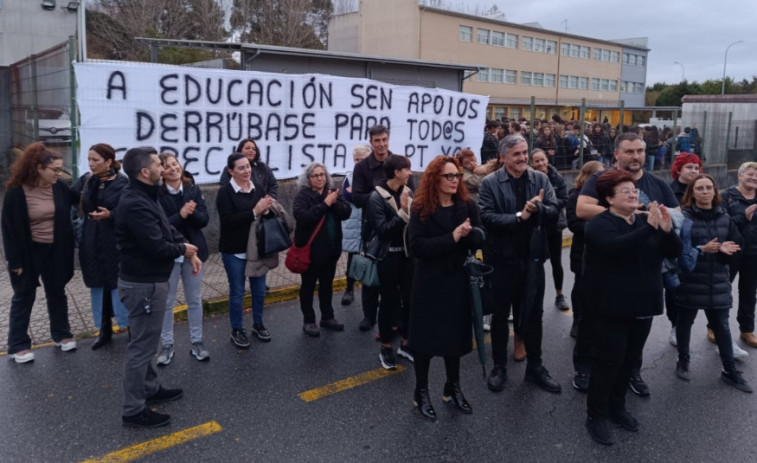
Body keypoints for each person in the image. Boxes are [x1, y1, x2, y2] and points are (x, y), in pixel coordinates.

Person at [576, 132, 679, 398]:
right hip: (604, 272)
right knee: (594, 325)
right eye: (630, 151)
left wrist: (664, 224)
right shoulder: (602, 180)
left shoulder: (657, 183)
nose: (636, 156)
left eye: (640, 151)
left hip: (642, 273)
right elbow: (582, 209)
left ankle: (632, 372)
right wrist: (629, 214)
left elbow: (675, 216)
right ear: (617, 155)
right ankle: (585, 368)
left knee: (635, 334)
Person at [583, 170, 682, 445]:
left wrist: (665, 229)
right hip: (610, 306)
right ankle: (596, 415)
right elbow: (615, 248)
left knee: (629, 360)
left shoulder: (644, 219)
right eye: (624, 191)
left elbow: (673, 251)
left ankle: (617, 408)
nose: (632, 193)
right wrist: (649, 228)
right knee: (608, 362)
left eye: (633, 190)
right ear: (609, 198)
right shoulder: (601, 223)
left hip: (643, 302)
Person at [115, 146, 201, 428]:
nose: (163, 168)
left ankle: (150, 389)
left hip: (149, 281)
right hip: (143, 285)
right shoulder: (135, 202)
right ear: (144, 172)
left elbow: (166, 228)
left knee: (146, 342)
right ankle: (133, 410)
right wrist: (183, 248)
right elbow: (156, 246)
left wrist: (189, 250)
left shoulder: (146, 196)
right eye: (157, 164)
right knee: (141, 347)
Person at [479, 134, 562, 394]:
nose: (523, 158)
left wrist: (540, 210)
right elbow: (486, 217)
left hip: (532, 259)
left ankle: (535, 367)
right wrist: (520, 216)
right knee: (501, 316)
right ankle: (499, 367)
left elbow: (555, 211)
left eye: (525, 153)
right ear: (503, 157)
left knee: (533, 316)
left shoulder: (540, 179)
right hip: (501, 260)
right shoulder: (490, 183)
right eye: (517, 154)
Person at [407, 155, 483, 421]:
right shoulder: (420, 208)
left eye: (457, 176)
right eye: (448, 176)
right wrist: (453, 236)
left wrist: (473, 236)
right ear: (434, 179)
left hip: (457, 280)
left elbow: (477, 239)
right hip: (429, 281)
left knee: (455, 339)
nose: (454, 181)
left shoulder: (467, 206)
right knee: (425, 341)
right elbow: (416, 247)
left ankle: (452, 387)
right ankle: (421, 391)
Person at [675, 174, 751, 392]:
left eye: (709, 187)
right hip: (690, 280)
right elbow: (676, 250)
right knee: (684, 323)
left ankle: (730, 371)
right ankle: (683, 361)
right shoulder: (684, 217)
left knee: (723, 327)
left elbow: (739, 245)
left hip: (718, 281)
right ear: (692, 193)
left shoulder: (725, 217)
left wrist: (729, 250)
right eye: (700, 188)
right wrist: (701, 250)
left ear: (715, 191)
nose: (705, 192)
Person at [2, 143, 77, 363]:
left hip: (56, 250)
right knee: (24, 296)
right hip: (28, 252)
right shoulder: (16, 192)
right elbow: (9, 228)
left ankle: (62, 335)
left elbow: (81, 198)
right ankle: (18, 345)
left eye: (61, 169)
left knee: (57, 291)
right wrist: (14, 259)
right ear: (38, 168)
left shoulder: (60, 188)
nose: (59, 174)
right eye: (54, 169)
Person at [350, 125, 415, 332]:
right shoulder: (362, 168)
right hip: (373, 228)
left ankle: (394, 318)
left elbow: (409, 191)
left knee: (395, 281)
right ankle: (369, 316)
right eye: (377, 140)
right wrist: (379, 198)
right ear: (371, 142)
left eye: (384, 140)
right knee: (371, 273)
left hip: (399, 230)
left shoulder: (398, 163)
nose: (381, 144)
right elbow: (356, 197)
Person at [72, 143, 130, 350]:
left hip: (114, 240)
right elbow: (69, 195)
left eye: (95, 160)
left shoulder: (123, 183)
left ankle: (130, 327)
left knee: (119, 284)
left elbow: (129, 210)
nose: (91, 164)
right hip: (92, 240)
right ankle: (104, 329)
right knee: (99, 285)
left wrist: (111, 215)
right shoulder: (87, 181)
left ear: (108, 161)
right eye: (89, 159)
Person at [156, 152, 210, 365]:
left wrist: (191, 213)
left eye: (174, 163)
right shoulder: (157, 195)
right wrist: (182, 215)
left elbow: (204, 219)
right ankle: (167, 345)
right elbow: (161, 226)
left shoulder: (193, 189)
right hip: (170, 255)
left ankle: (197, 342)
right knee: (167, 302)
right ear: (160, 171)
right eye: (167, 166)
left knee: (194, 300)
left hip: (195, 254)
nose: (172, 168)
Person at [217, 153, 275, 348]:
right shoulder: (225, 192)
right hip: (234, 251)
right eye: (241, 168)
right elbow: (227, 222)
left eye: (248, 166)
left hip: (256, 249)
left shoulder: (257, 187)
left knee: (259, 291)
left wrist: (266, 210)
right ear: (231, 171)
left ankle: (258, 324)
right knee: (237, 292)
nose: (246, 171)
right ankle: (237, 329)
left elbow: (262, 217)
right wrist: (254, 212)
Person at [365, 154, 414, 369]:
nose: (410, 173)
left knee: (409, 300)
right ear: (396, 172)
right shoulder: (376, 198)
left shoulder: (407, 191)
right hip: (388, 257)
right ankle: (386, 346)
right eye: (407, 169)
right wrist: (403, 212)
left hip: (407, 256)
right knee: (388, 302)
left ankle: (406, 342)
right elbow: (383, 231)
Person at [292, 162, 351, 336]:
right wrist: (325, 204)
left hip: (331, 251)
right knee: (308, 286)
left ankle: (327, 317)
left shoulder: (332, 193)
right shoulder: (303, 196)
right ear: (308, 179)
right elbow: (303, 217)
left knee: (327, 286)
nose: (320, 178)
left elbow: (346, 212)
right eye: (316, 175)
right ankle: (309, 320)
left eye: (323, 174)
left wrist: (334, 203)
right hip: (310, 253)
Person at [566, 161, 605, 392]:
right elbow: (573, 224)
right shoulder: (576, 196)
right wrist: (600, 227)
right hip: (582, 250)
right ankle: (577, 320)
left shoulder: (602, 196)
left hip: (599, 251)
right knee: (580, 286)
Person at [666, 152, 702, 346]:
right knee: (674, 290)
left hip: (698, 244)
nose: (694, 171)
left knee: (695, 290)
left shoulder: (703, 189)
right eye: (689, 167)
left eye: (696, 168)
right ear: (678, 169)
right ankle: (675, 326)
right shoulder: (670, 191)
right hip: (676, 247)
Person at [721, 162, 757, 349]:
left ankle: (747, 330)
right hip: (732, 249)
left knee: (749, 292)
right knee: (723, 291)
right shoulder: (727, 196)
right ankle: (715, 327)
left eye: (756, 176)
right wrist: (744, 216)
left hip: (753, 252)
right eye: (750, 174)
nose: (754, 178)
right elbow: (721, 223)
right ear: (740, 176)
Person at [531, 149, 569, 311]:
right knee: (535, 263)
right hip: (536, 226)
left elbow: (564, 199)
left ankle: (559, 295)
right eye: (537, 161)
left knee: (556, 262)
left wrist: (546, 205)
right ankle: (532, 296)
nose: (540, 164)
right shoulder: (530, 178)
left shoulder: (557, 178)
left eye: (542, 160)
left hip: (554, 225)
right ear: (532, 163)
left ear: (547, 160)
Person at [341, 145, 372, 306]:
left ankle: (372, 292)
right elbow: (348, 196)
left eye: (362, 159)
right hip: (354, 224)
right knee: (352, 258)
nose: (358, 162)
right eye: (356, 159)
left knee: (372, 258)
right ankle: (349, 289)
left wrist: (359, 194)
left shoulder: (375, 176)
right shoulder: (349, 176)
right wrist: (365, 195)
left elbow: (376, 197)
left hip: (370, 223)